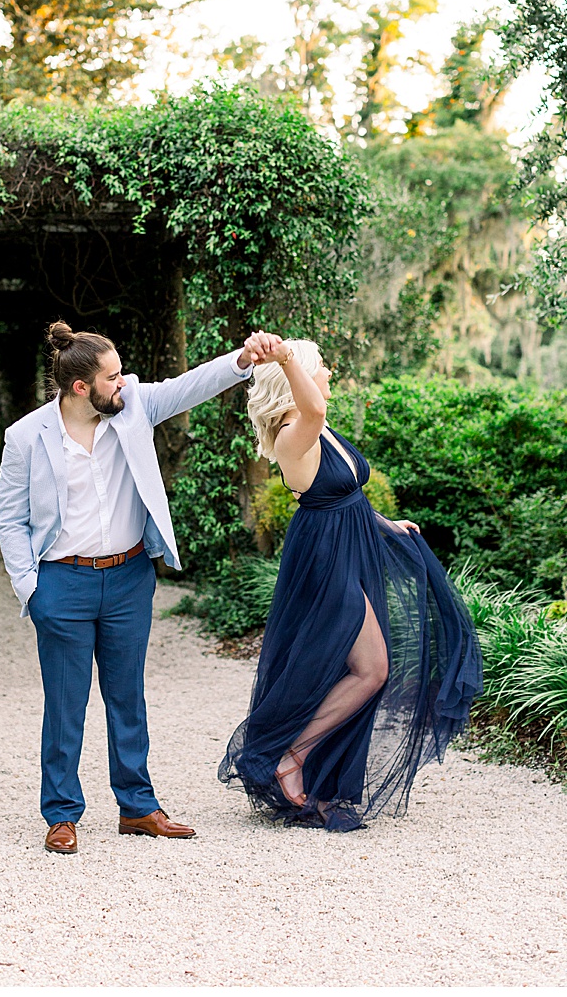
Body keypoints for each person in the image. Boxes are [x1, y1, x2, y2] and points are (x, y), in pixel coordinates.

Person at [0, 320, 282, 855]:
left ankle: (138, 807)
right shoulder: (26, 437)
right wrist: (31, 590)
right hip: (62, 582)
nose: (123, 382)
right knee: (65, 703)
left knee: (128, 697)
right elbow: (9, 519)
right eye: (113, 376)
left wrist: (244, 359)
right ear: (82, 387)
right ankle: (61, 813)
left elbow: (188, 385)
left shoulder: (132, 408)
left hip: (128, 577)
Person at [219, 339, 481, 831]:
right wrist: (286, 356)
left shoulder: (323, 431)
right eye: (322, 368)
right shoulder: (294, 433)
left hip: (352, 546)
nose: (330, 375)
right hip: (326, 559)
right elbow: (313, 411)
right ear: (297, 377)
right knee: (372, 668)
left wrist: (385, 523)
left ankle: (309, 763)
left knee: (356, 666)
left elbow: (343, 495)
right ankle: (291, 754)